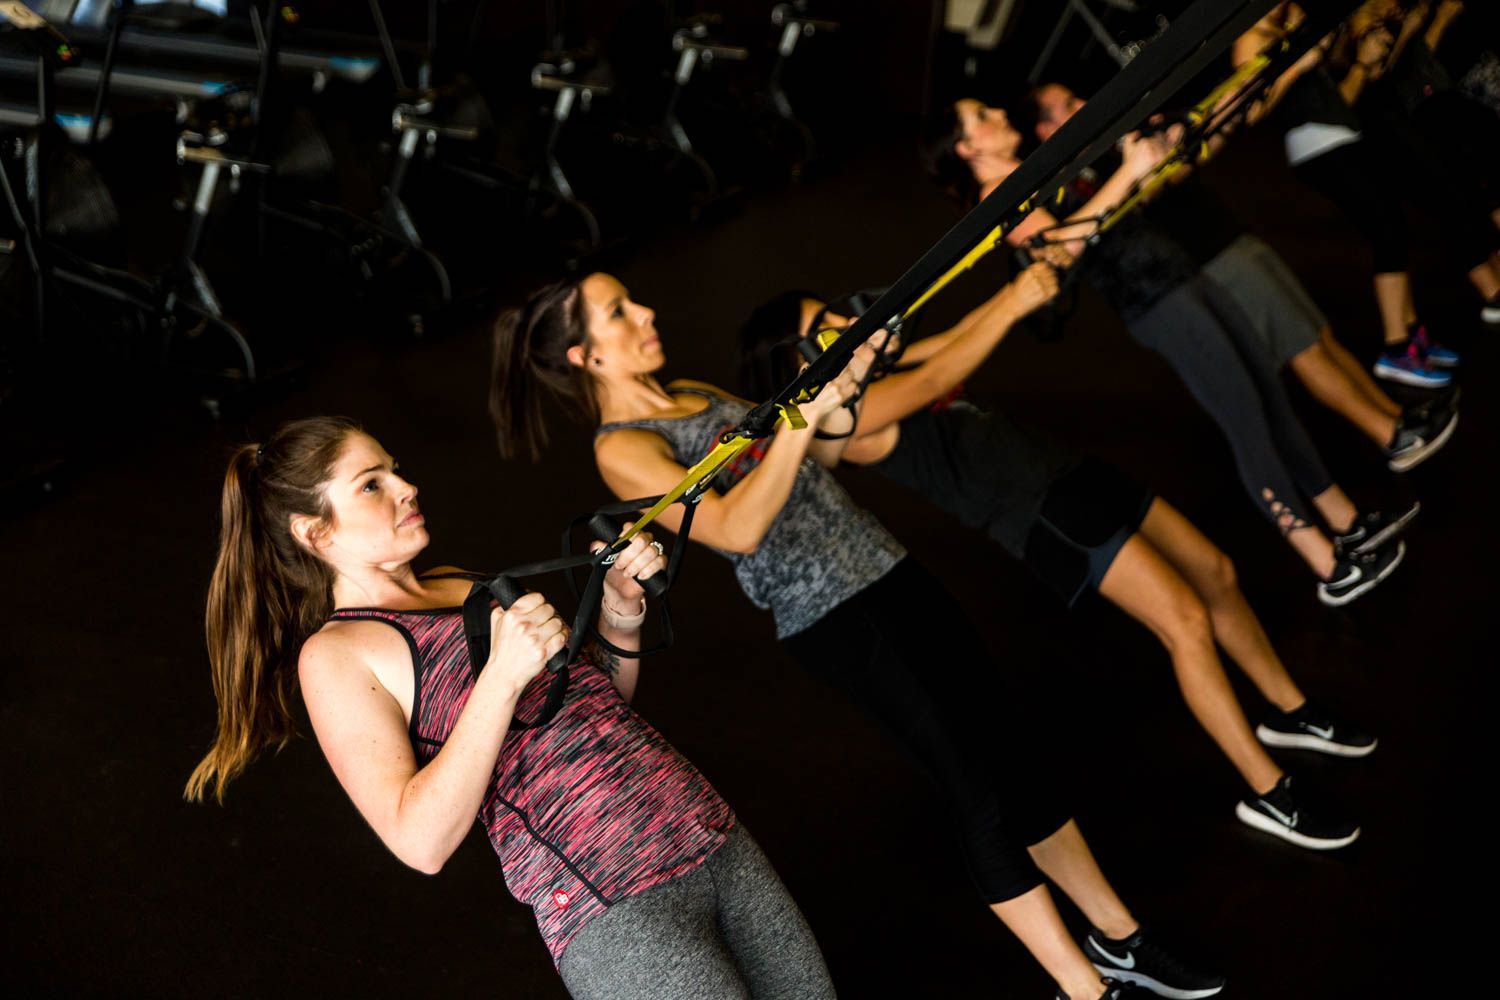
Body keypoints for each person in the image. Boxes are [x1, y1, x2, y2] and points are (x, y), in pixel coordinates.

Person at [491, 273, 1224, 1000]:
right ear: (586, 356)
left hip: (889, 571)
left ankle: (1120, 937)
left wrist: (837, 397)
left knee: (1011, 755)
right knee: (975, 788)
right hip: (833, 616)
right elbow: (738, 530)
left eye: (633, 297)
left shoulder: (690, 390)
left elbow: (817, 460)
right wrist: (798, 427)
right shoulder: (623, 447)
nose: (647, 310)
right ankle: (1082, 988)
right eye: (620, 311)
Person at [184, 416, 835, 1000]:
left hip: (709, 831)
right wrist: (498, 677)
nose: (406, 488)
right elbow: (419, 841)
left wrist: (620, 605)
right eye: (371, 484)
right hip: (611, 900)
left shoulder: (464, 584)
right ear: (313, 531)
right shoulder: (336, 653)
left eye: (396, 471)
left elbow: (593, 708)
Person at [740, 269, 1373, 854]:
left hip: (1065, 471)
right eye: (818, 330)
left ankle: (1291, 712)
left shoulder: (873, 370)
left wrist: (1021, 286)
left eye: (832, 319)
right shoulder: (839, 423)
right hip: (1039, 515)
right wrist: (1015, 303)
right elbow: (934, 382)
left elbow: (954, 338)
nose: (837, 330)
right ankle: (1270, 792)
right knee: (1184, 622)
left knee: (1216, 573)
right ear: (792, 367)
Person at [926, 98, 1411, 605]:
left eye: (990, 108)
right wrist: (1129, 171)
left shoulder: (1047, 168)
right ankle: (1325, 563)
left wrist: (1147, 160)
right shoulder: (999, 195)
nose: (1000, 115)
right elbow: (1059, 246)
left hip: (1183, 273)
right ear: (967, 147)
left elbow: (1116, 204)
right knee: (1246, 419)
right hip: (1154, 303)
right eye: (983, 116)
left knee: (1270, 397)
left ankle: (1347, 522)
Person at [1021, 80, 1459, 474]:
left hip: (1227, 233)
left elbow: (1182, 166)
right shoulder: (1079, 180)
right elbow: (1130, 207)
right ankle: (1389, 435)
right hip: (1206, 259)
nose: (1083, 102)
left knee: (1318, 334)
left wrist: (1173, 141)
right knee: (1300, 348)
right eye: (1068, 104)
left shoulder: (1115, 142)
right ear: (1046, 130)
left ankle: (1398, 418)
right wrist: (1148, 160)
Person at [1234, 2, 1500, 377]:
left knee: (1393, 227)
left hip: (1343, 132)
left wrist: (1364, 52)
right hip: (1316, 143)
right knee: (1388, 230)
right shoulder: (1250, 38)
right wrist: (1297, 65)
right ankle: (1396, 347)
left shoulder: (1291, 17)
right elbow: (1249, 112)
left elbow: (1345, 82)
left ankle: (1410, 337)